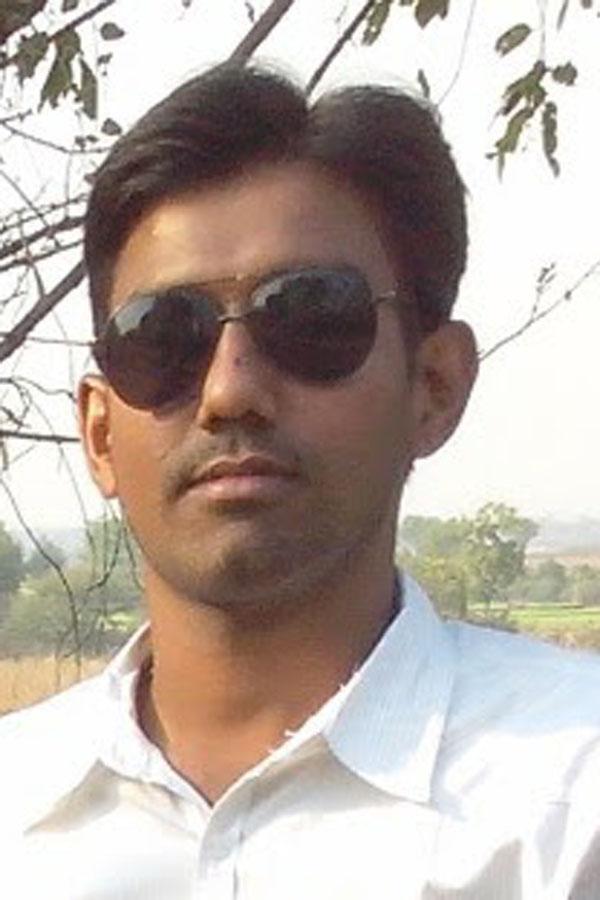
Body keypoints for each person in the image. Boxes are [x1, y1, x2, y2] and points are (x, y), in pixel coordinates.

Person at [1, 62, 600, 899]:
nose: (230, 391)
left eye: (311, 316)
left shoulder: (571, 805)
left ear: (434, 386)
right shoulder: (16, 810)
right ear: (100, 433)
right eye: (163, 337)